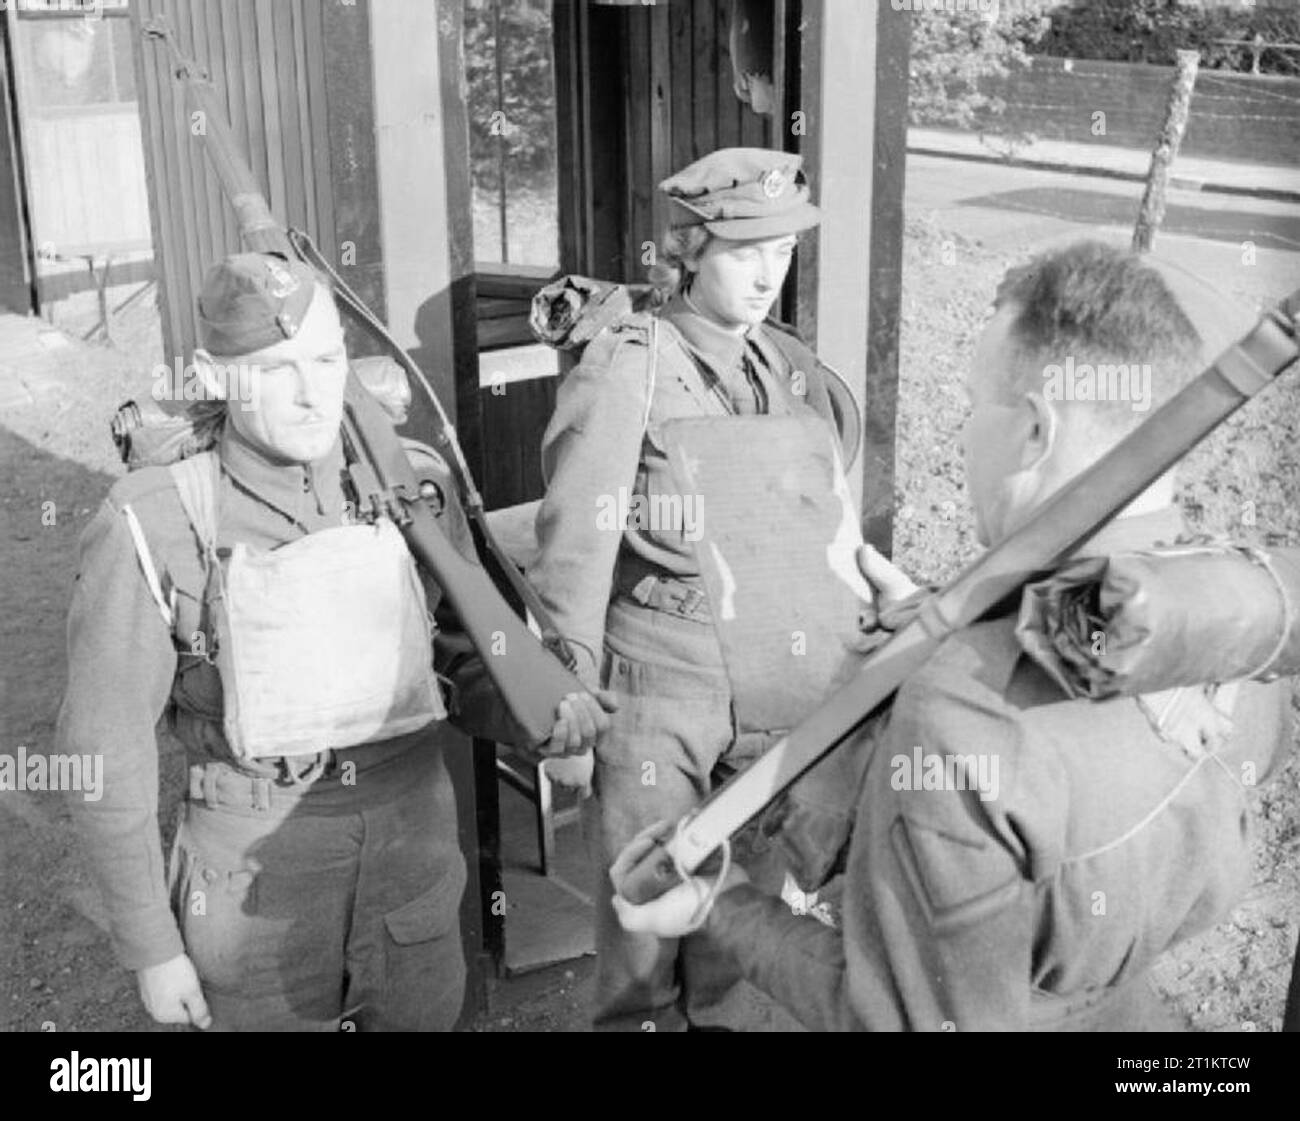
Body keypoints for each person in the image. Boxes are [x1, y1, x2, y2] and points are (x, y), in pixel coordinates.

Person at [611, 239, 1294, 1031]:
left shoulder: (963, 719)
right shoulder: (1226, 617)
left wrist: (717, 906)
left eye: (974, 407)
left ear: (1035, 431)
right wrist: (951, 623)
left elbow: (902, 1017)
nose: (963, 435)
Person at [57, 251, 611, 1032]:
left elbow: (458, 668)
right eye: (277, 370)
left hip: (412, 861)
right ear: (217, 377)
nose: (315, 390)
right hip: (255, 888)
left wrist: (536, 717)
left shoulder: (409, 487)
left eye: (326, 358)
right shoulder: (152, 521)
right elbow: (104, 753)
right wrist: (152, 944)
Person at [529, 147, 872, 1031]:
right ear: (688, 248)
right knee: (642, 920)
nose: (768, 274)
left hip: (766, 677)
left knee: (737, 913)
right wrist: (565, 704)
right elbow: (576, 543)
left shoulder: (785, 369)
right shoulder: (628, 366)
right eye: (744, 251)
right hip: (658, 679)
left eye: (783, 252)